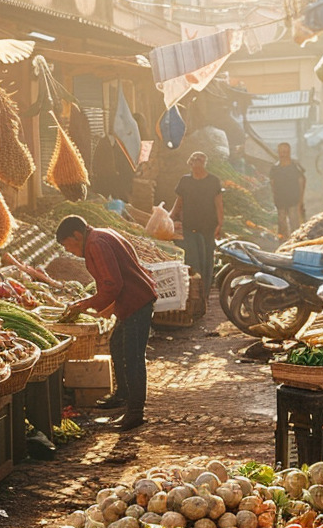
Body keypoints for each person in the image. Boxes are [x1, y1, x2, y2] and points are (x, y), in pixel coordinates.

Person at [57, 215, 157, 431]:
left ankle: (135, 413)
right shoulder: (102, 234)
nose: (69, 251)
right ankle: (122, 396)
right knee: (117, 346)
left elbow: (112, 284)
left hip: (136, 301)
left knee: (133, 358)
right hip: (131, 300)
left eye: (68, 245)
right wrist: (103, 305)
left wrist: (88, 305)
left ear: (77, 235)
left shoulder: (96, 243)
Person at [169, 151, 224, 301]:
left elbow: (218, 204)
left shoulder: (213, 181)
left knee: (207, 260)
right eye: (194, 160)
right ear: (190, 163)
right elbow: (179, 202)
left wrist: (220, 223)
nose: (197, 162)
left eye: (200, 159)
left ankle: (204, 294)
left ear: (205, 163)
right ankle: (194, 295)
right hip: (190, 226)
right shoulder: (185, 181)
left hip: (208, 227)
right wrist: (170, 217)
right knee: (193, 260)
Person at [269, 143, 307, 237]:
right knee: (282, 225)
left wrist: (301, 200)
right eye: (281, 152)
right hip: (280, 200)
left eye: (286, 152)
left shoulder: (295, 166)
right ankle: (283, 244)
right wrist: (274, 197)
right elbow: (272, 183)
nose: (284, 154)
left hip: (293, 200)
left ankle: (295, 243)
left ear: (289, 152)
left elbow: (302, 182)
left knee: (295, 225)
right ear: (278, 153)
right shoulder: (275, 168)